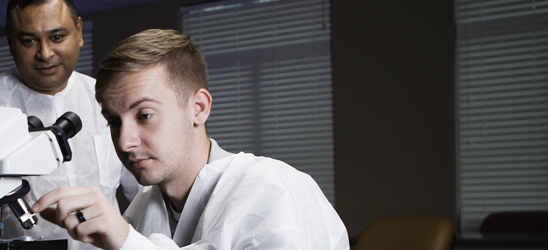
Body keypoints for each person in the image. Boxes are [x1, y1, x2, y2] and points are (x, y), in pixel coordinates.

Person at [32, 29, 349, 249]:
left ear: (198, 108)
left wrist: (127, 242)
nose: (125, 141)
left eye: (145, 115)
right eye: (114, 122)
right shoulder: (142, 210)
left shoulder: (275, 190)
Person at [0, 0, 140, 249]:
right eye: (29, 41)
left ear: (78, 32)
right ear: (10, 42)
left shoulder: (105, 100)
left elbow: (143, 192)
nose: (45, 53)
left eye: (57, 36)